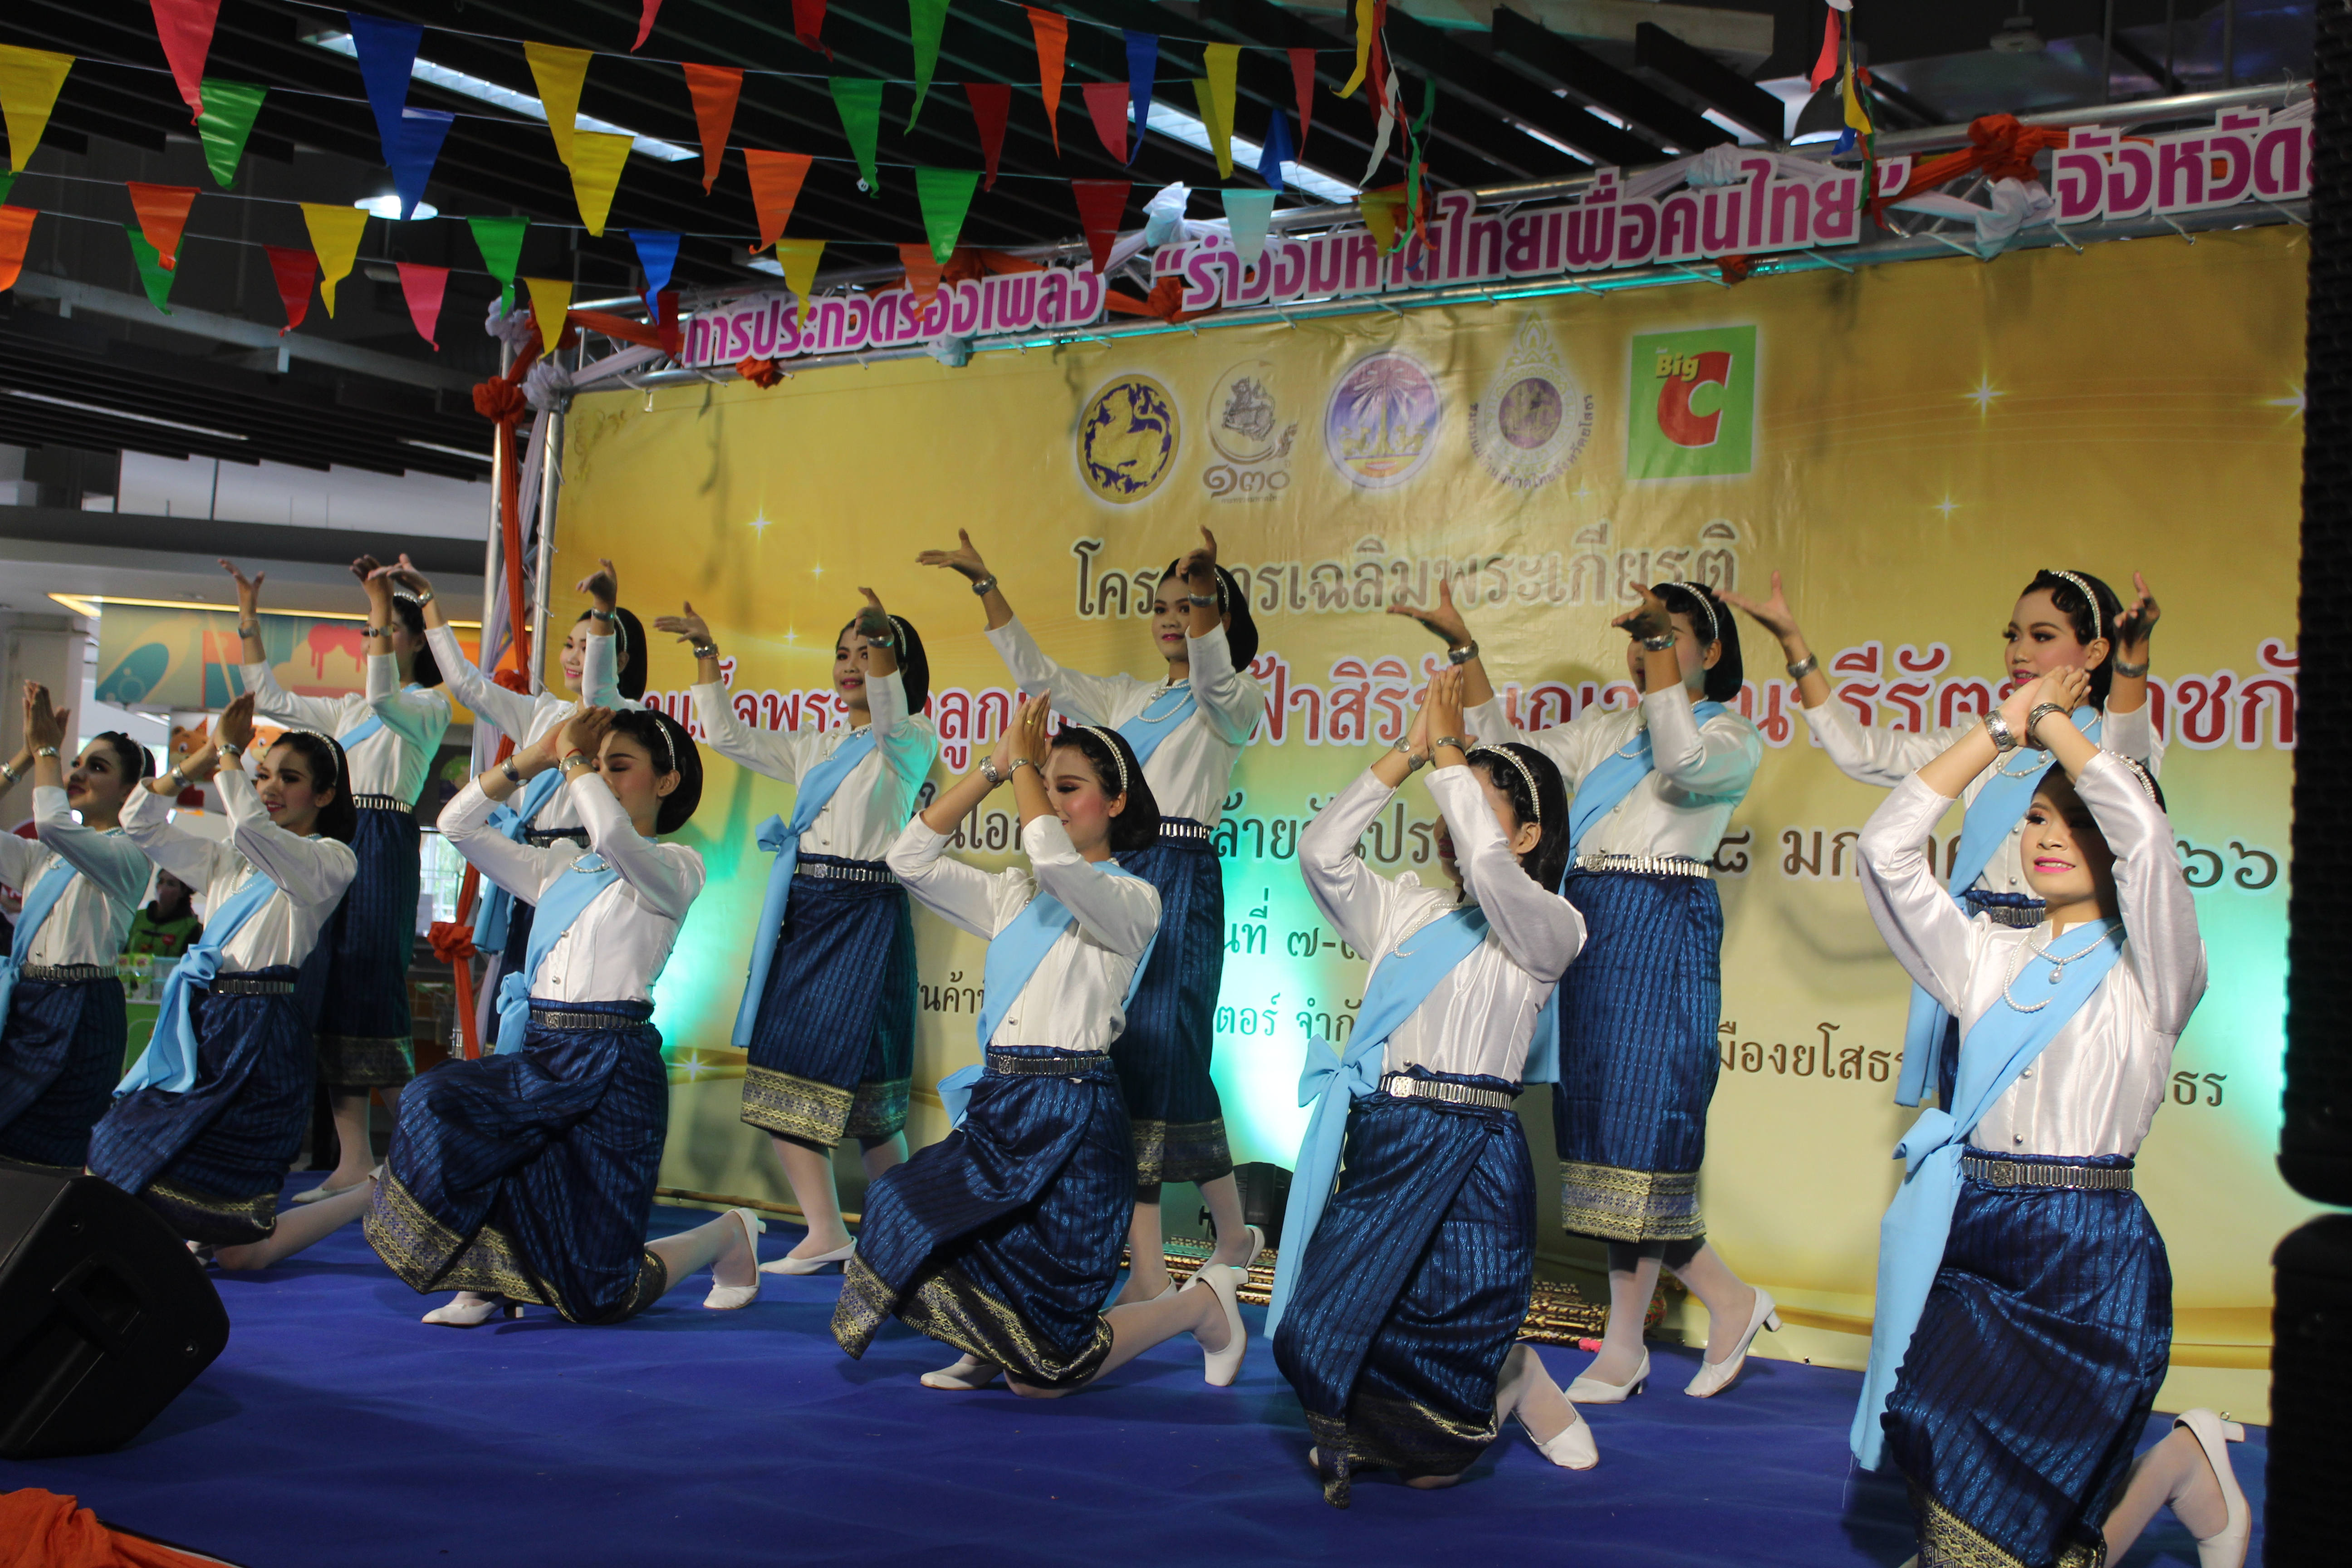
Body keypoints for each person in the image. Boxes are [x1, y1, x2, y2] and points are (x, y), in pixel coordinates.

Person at [1852, 667, 2247, 1568]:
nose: (2052, 836)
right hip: (1981, 1237)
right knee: (1933, 1429)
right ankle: (2184, 1467)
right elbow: (1886, 851)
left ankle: (2180, 1468)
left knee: (2035, 1493)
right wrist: (2000, 733)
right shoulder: (1983, 954)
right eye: (2038, 816)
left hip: (2091, 1256)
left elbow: (2146, 836)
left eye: (2080, 822)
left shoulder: (2157, 971)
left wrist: (2061, 724)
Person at [837, 695, 1245, 1397]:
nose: (1051, 803)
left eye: (1069, 788)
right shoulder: (1012, 897)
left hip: (1076, 1122)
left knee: (1047, 1381)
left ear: (1117, 803)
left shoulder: (1134, 899)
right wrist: (993, 770)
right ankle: (986, 1341)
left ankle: (1202, 1308)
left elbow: (1057, 865)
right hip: (1003, 1108)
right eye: (1045, 787)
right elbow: (907, 858)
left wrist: (1026, 765)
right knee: (903, 1206)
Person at [1429, 577, 1776, 1401]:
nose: (1645, 648)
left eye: (1666, 634)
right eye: (1641, 634)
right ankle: (1728, 1301)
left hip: (1659, 925)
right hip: (1588, 920)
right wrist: (1463, 648)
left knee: (1640, 1133)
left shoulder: (1728, 733)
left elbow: (1680, 758)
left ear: (1710, 651)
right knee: (1598, 1140)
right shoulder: (1604, 729)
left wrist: (1659, 662)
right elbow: (1512, 756)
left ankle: (1626, 1342)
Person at [1272, 667, 1594, 1507]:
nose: (1450, 822)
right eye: (1450, 801)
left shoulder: (1550, 926)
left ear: (1525, 836)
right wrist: (1410, 753)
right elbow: (1320, 851)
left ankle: (1508, 1383)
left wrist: (1452, 751)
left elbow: (1490, 873)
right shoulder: (1406, 911)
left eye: (1476, 804)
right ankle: (1425, 1411)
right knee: (1328, 1320)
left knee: (1451, 1327)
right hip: (1388, 1138)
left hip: (1475, 1149)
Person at [919, 527, 1265, 1302]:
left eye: (1190, 605)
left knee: (1165, 1053)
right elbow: (1037, 675)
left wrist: (1208, 594)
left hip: (1174, 882)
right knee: (1126, 1064)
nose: (1172, 618)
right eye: (1163, 606)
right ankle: (1160, 1261)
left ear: (1217, 612)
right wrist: (985, 585)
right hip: (1102, 869)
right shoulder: (1125, 698)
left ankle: (1221, 1236)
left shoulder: (1235, 697)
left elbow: (1213, 684)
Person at [366, 705, 761, 1325]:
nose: (599, 779)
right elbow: (457, 825)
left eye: (619, 767)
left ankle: (726, 1237)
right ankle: (488, 1279)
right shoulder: (560, 869)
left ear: (667, 781)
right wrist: (535, 759)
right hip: (542, 1053)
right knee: (438, 1103)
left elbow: (615, 839)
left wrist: (576, 763)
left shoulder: (677, 867)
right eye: (596, 766)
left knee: (600, 1298)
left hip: (614, 1066)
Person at [1725, 568, 2162, 1109]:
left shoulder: (2106, 750)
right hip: (1982, 961)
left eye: (2042, 637)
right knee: (1973, 1127)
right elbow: (1862, 751)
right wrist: (1794, 644)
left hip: (2073, 960)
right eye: (2013, 636)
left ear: (2095, 651)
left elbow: (2128, 770)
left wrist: (2133, 655)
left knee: (2057, 1121)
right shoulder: (1985, 736)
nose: (2019, 652)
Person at [652, 588, 936, 1274]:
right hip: (807, 914)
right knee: (781, 1070)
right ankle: (828, 1230)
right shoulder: (818, 743)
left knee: (874, 1106)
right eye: (843, 652)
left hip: (865, 915)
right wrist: (705, 655)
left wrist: (884, 652)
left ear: (894, 666)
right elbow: (726, 737)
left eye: (866, 652)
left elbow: (893, 719)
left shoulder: (912, 739)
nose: (850, 664)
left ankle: (905, 1239)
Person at [89, 694, 373, 1270]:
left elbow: (251, 826)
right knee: (114, 1150)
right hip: (201, 1026)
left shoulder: (332, 860)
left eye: (288, 779)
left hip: (261, 1038)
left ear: (323, 795)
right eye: (263, 774)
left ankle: (373, 1188)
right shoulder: (230, 862)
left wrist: (228, 755)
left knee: (244, 1256)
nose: (269, 787)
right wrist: (202, 760)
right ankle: (191, 1228)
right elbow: (139, 817)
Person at [222, 556, 451, 1202]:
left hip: (382, 842)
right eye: (370, 629)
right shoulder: (348, 708)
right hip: (338, 836)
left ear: (413, 640)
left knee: (370, 987)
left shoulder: (427, 705)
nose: (370, 639)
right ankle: (356, 1160)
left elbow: (385, 694)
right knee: (327, 987)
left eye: (382, 629)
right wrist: (247, 615)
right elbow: (268, 696)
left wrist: (381, 599)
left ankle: (434, 1154)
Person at [369, 551, 640, 1004]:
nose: (575, 657)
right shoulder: (540, 712)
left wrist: (604, 611)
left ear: (617, 656)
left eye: (589, 643)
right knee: (515, 995)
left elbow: (597, 689)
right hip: (525, 871)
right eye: (569, 645)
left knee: (567, 994)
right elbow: (464, 685)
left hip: (584, 870)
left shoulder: (623, 719)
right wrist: (427, 598)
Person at [0, 683, 152, 1170]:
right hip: (29, 1007)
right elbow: (52, 830)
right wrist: (26, 757)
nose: (78, 772)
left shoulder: (128, 855)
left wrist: (48, 749)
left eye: (97, 767)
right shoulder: (45, 855)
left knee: (51, 1159)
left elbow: (51, 824)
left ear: (129, 792)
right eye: (77, 762)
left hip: (83, 1010)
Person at [124, 869, 204, 960]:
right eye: (160, 882)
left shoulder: (191, 927)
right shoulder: (136, 917)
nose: (163, 888)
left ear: (183, 891)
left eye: (171, 884)